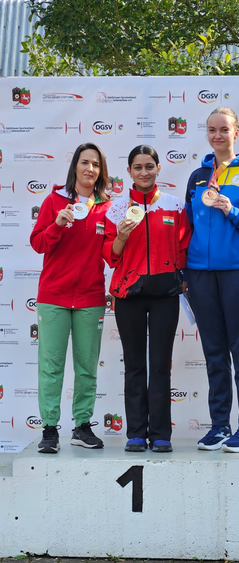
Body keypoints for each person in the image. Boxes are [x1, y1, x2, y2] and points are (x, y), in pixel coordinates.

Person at [185, 107, 239, 453]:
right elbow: (189, 227)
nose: (217, 135)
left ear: (236, 132)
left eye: (224, 129)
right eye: (212, 129)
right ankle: (220, 426)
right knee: (215, 353)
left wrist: (232, 210)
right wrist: (184, 271)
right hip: (201, 275)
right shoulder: (197, 176)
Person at [102, 145, 191, 453]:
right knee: (136, 365)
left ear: (158, 169)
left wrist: (184, 282)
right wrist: (122, 236)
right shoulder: (115, 209)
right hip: (129, 294)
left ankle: (161, 433)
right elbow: (109, 257)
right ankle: (136, 433)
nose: (143, 172)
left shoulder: (174, 205)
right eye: (137, 167)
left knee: (160, 366)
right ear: (128, 172)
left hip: (166, 294)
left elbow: (183, 249)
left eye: (149, 166)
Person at [30, 142, 111, 453]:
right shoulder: (55, 200)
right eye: (84, 162)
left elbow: (111, 254)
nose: (90, 168)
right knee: (51, 365)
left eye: (96, 164)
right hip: (54, 295)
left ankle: (82, 426)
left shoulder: (106, 207)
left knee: (87, 365)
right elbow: (38, 243)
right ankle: (50, 429)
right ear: (74, 167)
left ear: (101, 171)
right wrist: (57, 225)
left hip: (91, 297)